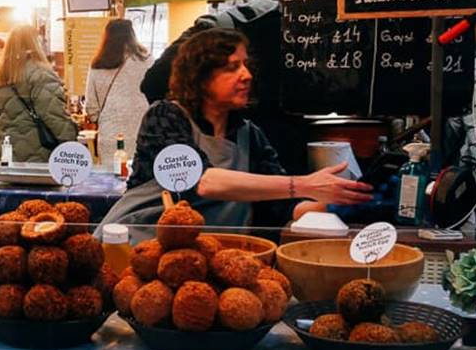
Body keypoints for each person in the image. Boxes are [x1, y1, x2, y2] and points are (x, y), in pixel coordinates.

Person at [98, 28, 371, 236]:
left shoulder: (249, 134)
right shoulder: (166, 117)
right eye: (231, 67)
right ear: (199, 77)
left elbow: (283, 208)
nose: (246, 75)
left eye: (245, 65)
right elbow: (201, 181)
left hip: (206, 259)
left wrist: (342, 202)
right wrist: (304, 184)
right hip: (133, 247)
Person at [139, 0, 306, 172]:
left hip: (219, 147)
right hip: (288, 147)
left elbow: (153, 81)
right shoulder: (305, 28)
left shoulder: (214, 27)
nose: (246, 75)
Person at [0, 25, 77, 163]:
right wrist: (72, 142)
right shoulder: (40, 72)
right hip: (38, 152)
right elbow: (54, 116)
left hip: (8, 152)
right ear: (35, 43)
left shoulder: (2, 75)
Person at [84, 19, 152, 167]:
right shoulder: (147, 61)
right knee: (137, 179)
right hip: (142, 133)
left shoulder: (97, 65)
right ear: (132, 35)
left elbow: (91, 107)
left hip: (110, 133)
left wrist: (99, 118)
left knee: (111, 181)